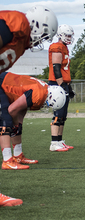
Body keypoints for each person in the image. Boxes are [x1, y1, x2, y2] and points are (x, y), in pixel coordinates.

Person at [0, 5, 58, 205]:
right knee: (5, 118)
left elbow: (19, 113)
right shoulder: (18, 23)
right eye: (44, 35)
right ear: (38, 25)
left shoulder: (22, 45)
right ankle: (8, 159)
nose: (41, 41)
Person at [48, 24, 75, 152]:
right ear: (61, 35)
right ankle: (54, 142)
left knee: (63, 115)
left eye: (70, 35)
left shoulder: (64, 47)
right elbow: (56, 68)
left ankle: (59, 141)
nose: (69, 38)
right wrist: (62, 85)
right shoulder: (57, 47)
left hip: (63, 84)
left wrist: (68, 87)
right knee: (58, 114)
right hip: (56, 84)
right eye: (67, 35)